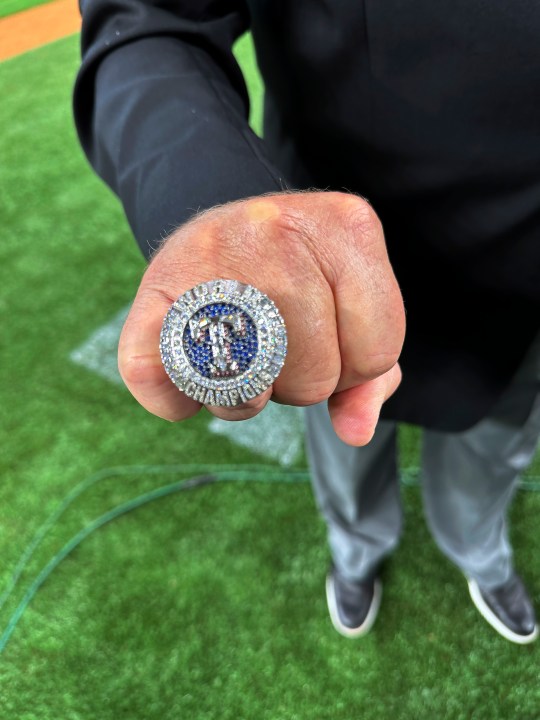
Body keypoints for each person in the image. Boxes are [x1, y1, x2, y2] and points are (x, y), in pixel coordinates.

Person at [74, 0, 540, 644]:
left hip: (522, 277)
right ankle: (357, 555)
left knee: (493, 449)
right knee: (346, 440)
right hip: (316, 260)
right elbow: (151, 18)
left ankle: (480, 555)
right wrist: (208, 198)